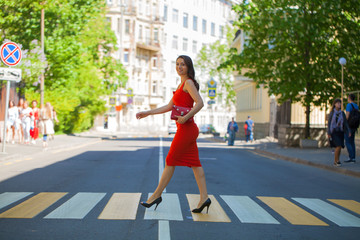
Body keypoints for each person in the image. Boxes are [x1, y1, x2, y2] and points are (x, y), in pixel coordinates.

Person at [136, 55, 211, 213]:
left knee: (170, 160)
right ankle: (204, 198)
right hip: (186, 129)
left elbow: (200, 103)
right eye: (177, 64)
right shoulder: (180, 85)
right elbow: (169, 106)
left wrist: (185, 117)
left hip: (187, 129)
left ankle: (156, 195)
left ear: (188, 67)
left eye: (182, 64)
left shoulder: (188, 83)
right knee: (195, 164)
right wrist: (148, 112)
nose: (179, 67)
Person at [327, 99, 350, 167]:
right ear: (334, 104)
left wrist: (348, 131)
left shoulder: (342, 113)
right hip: (334, 131)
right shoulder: (332, 113)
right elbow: (329, 123)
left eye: (340, 103)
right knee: (338, 146)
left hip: (340, 131)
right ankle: (336, 161)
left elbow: (345, 123)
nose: (339, 105)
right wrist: (328, 132)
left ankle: (337, 160)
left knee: (340, 147)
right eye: (337, 103)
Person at [345, 94, 358, 163]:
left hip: (349, 126)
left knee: (347, 141)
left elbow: (347, 116)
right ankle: (353, 158)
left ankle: (351, 157)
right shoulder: (356, 106)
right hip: (354, 125)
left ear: (349, 98)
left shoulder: (349, 105)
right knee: (352, 142)